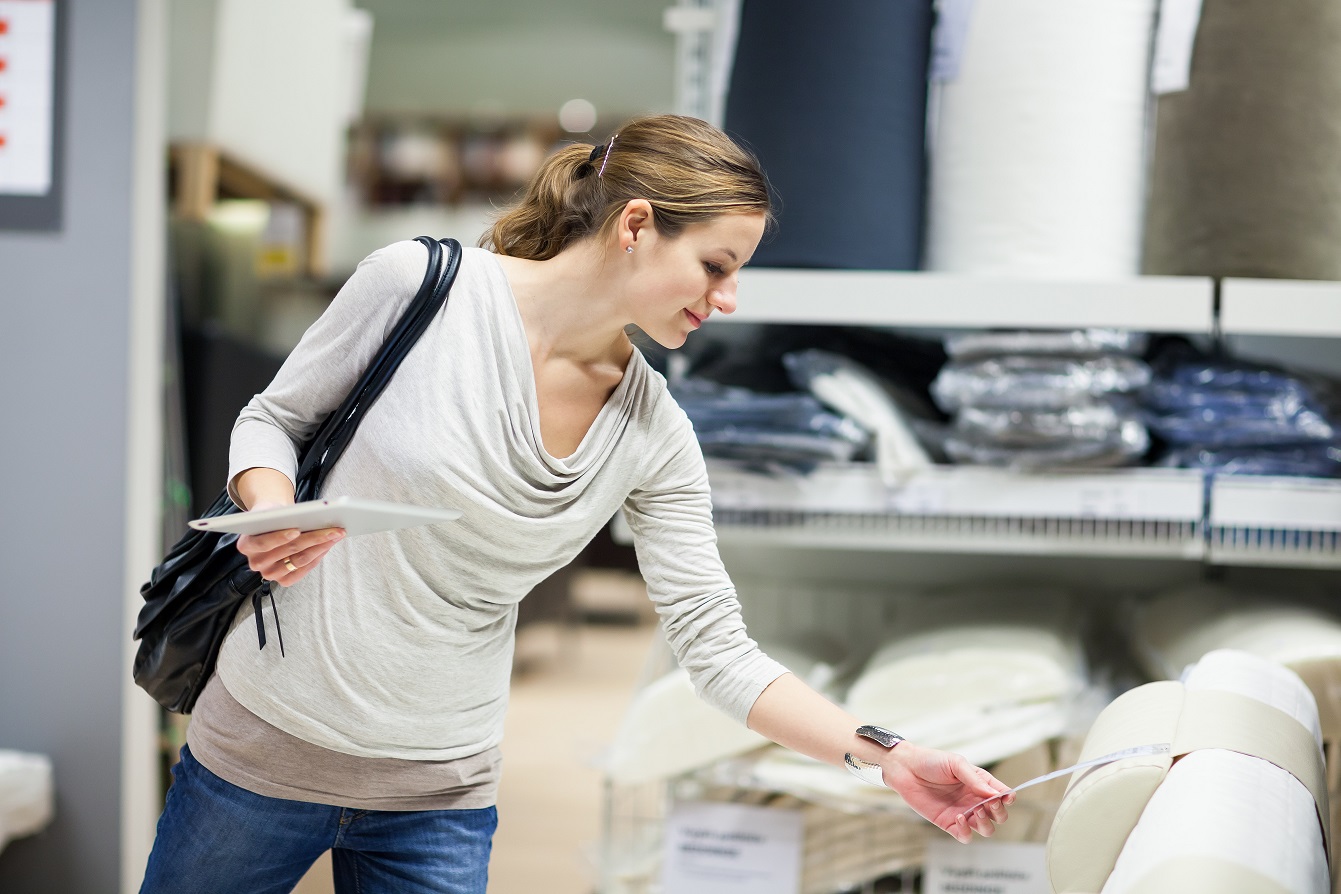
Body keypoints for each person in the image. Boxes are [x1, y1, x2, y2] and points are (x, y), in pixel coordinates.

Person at [139, 114, 1012, 894]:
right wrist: (273, 506)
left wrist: (888, 755)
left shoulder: (654, 432)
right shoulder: (421, 287)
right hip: (260, 751)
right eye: (715, 265)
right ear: (636, 224)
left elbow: (717, 651)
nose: (728, 297)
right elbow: (274, 418)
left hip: (438, 794)